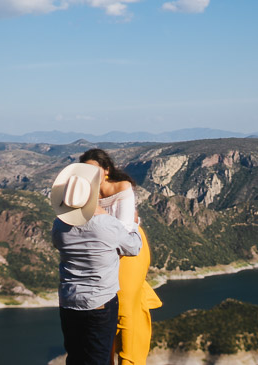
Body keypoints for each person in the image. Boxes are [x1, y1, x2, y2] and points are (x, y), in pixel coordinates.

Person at [51, 161, 143, 365]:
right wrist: (134, 225)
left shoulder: (58, 226)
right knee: (99, 358)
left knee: (75, 357)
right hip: (99, 303)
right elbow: (134, 248)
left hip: (69, 301)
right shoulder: (106, 224)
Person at [79, 148, 162, 365]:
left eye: (93, 170)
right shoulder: (86, 194)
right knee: (106, 309)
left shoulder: (122, 187)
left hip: (130, 250)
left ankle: (131, 360)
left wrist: (99, 214)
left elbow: (125, 230)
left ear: (106, 170)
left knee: (125, 306)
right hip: (105, 252)